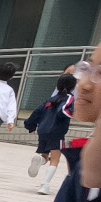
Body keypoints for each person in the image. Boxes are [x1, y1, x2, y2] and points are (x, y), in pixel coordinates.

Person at [25, 65, 77, 194]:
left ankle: (41, 160)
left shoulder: (51, 99)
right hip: (57, 132)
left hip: (42, 130)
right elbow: (63, 111)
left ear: (57, 86)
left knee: (44, 154)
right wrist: (72, 114)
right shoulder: (69, 98)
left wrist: (30, 126)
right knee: (55, 159)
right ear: (73, 87)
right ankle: (45, 185)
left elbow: (37, 112)